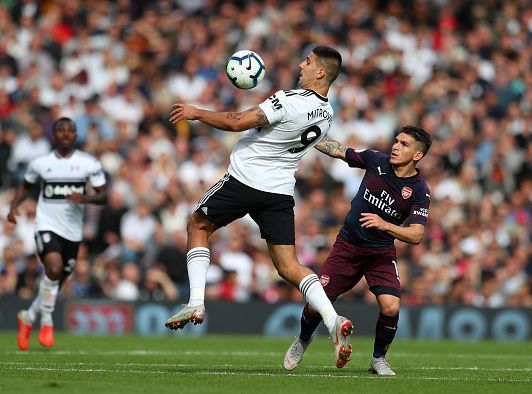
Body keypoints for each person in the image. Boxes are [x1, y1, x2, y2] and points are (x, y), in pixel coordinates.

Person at [166, 45, 353, 368]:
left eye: (307, 61)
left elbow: (238, 121)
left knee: (197, 225)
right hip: (279, 191)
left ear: (320, 72)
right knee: (289, 267)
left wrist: (198, 113)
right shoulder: (327, 112)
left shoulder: (291, 100)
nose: (300, 64)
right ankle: (333, 319)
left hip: (246, 179)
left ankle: (196, 302)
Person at [283, 126, 432, 376]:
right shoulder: (376, 160)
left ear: (417, 155)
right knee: (314, 304)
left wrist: (385, 224)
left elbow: (417, 234)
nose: (395, 146)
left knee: (391, 307)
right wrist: (305, 135)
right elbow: (339, 150)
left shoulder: (419, 190)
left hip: (380, 253)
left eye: (404, 144)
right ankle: (302, 340)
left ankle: (378, 359)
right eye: (396, 141)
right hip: (348, 247)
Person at [7, 117, 107, 350]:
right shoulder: (41, 163)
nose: (65, 133)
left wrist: (86, 198)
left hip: (72, 233)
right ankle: (47, 323)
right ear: (53, 135)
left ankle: (28, 316)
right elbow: (26, 185)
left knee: (55, 284)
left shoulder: (88, 163)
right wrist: (14, 207)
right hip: (46, 225)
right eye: (60, 130)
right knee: (52, 268)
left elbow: (103, 195)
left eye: (69, 130)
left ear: (75, 135)